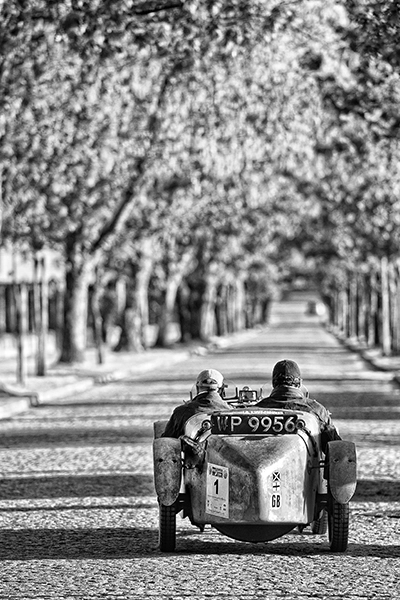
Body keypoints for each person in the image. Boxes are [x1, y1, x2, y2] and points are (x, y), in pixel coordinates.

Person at [256, 359, 340, 449]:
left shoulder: (258, 409)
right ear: (299, 383)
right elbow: (336, 448)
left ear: (273, 383)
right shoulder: (317, 410)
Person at [162, 369, 231, 438]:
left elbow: (167, 439)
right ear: (221, 389)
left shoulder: (181, 411)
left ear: (197, 387)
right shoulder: (231, 410)